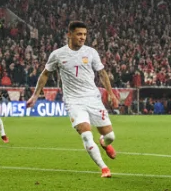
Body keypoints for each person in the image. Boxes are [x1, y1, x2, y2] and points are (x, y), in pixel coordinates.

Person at [27, 21, 120, 178]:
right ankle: (104, 168)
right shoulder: (58, 54)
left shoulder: (91, 52)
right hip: (73, 101)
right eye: (79, 34)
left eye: (84, 34)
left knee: (110, 136)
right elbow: (45, 74)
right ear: (69, 35)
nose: (82, 37)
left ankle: (104, 143)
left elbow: (102, 73)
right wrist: (35, 95)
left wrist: (111, 94)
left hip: (93, 98)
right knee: (86, 134)